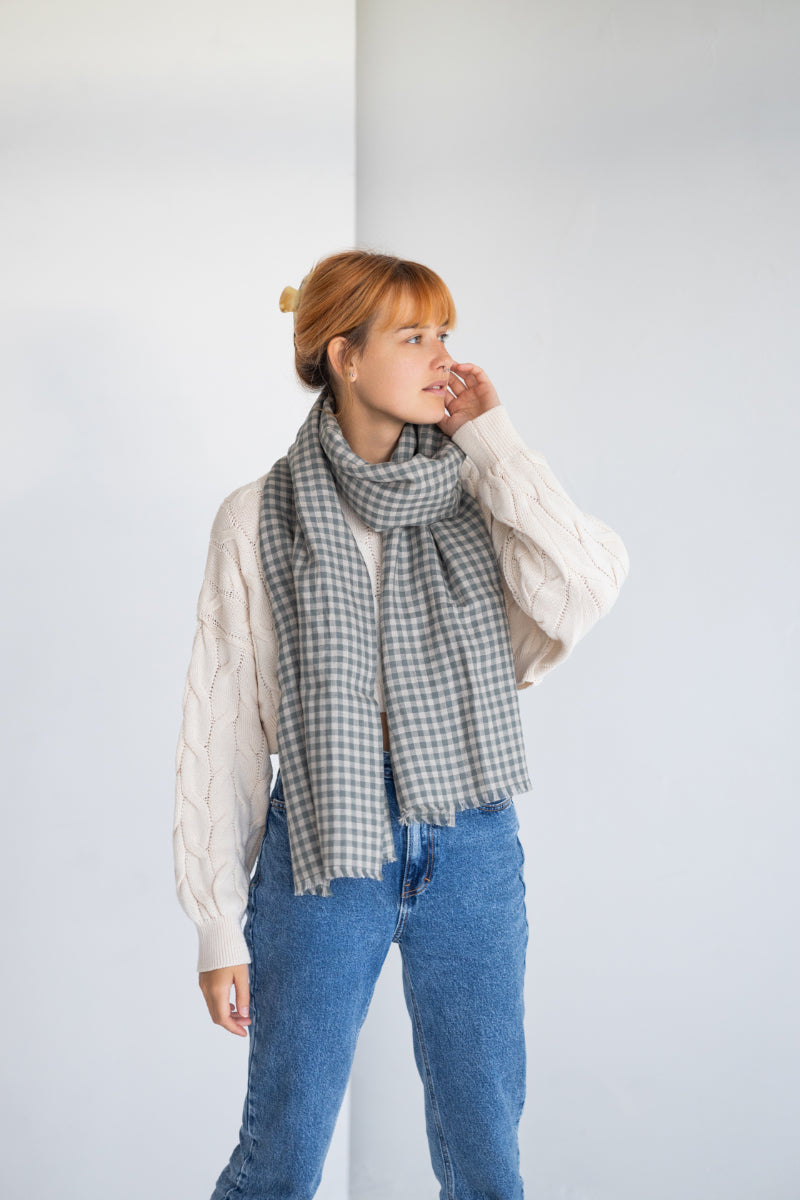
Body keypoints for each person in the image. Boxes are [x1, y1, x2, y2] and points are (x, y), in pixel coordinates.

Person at [173, 249, 630, 1199]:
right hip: (323, 849)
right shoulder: (258, 515)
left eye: (445, 334)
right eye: (413, 336)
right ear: (343, 355)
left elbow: (588, 585)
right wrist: (219, 923)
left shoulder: (476, 491)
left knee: (485, 1158)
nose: (441, 356)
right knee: (282, 1156)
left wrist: (494, 438)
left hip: (469, 832)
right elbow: (225, 724)